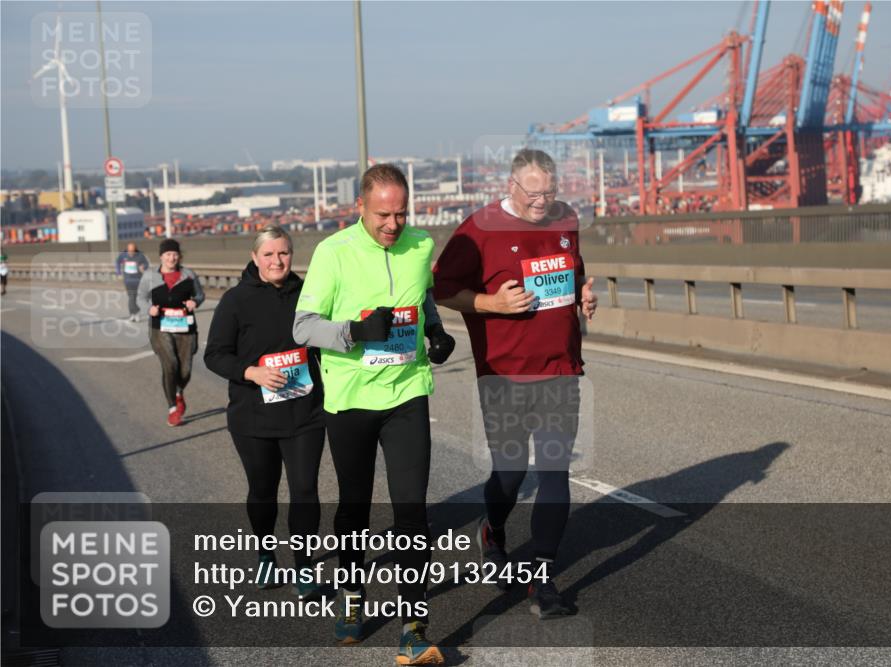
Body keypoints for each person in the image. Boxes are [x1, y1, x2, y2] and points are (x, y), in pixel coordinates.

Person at [293, 163, 454, 664]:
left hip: (407, 393)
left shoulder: (421, 245)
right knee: (354, 508)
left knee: (412, 510)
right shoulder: (332, 252)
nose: (393, 224)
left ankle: (414, 626)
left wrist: (436, 331)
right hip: (350, 400)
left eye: (401, 213)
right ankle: (353, 594)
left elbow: (421, 296)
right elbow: (303, 327)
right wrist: (353, 333)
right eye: (383, 214)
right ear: (359, 207)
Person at [433, 148, 598, 619]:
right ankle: (494, 530)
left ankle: (541, 581)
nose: (542, 201)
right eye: (533, 193)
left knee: (554, 472)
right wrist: (491, 304)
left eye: (550, 191)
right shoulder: (479, 228)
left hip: (560, 368)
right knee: (509, 475)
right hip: (503, 373)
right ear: (511, 186)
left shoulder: (565, 220)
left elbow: (574, 268)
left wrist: (583, 290)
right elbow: (443, 290)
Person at [204, 225, 326, 599]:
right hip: (253, 417)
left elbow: (325, 341)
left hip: (305, 412)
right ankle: (266, 552)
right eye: (269, 254)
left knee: (305, 490)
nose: (277, 261)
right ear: (255, 258)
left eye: (284, 253)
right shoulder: (235, 300)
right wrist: (252, 372)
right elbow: (214, 355)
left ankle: (304, 564)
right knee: (263, 491)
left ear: (292, 255)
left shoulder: (310, 294)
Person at [137, 238, 205, 426]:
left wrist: (195, 302)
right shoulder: (150, 276)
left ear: (179, 256)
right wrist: (148, 309)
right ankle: (172, 409)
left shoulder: (189, 275)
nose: (171, 258)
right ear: (161, 257)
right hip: (160, 327)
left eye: (174, 254)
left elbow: (200, 295)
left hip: (186, 328)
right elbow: (140, 298)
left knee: (185, 370)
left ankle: (178, 392)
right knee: (170, 365)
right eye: (168, 254)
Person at [115, 242, 149, 321]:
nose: (131, 253)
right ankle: (133, 314)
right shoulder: (123, 255)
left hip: (138, 279)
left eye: (133, 251)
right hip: (128, 280)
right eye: (129, 251)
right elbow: (117, 262)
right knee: (131, 297)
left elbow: (146, 264)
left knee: (138, 297)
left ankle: (137, 312)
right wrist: (118, 272)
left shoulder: (140, 255)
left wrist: (143, 266)